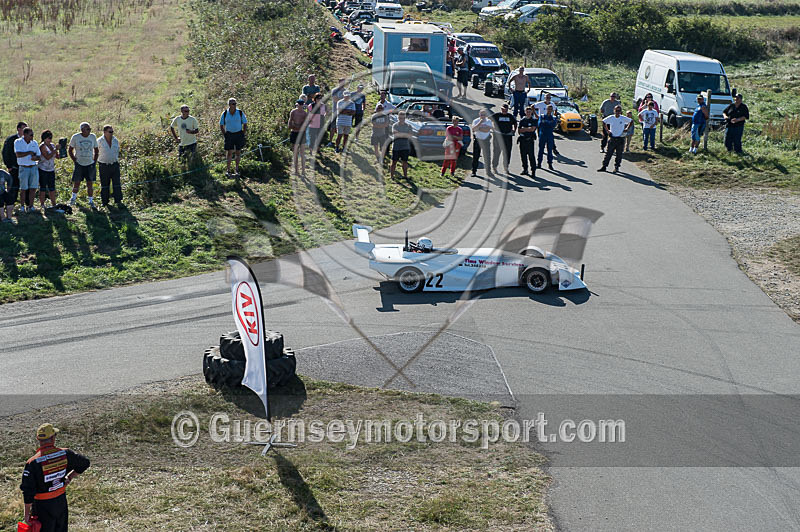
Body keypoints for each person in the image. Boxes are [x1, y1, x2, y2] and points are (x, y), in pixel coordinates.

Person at [20, 423, 90, 532]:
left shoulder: (33, 463)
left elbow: (28, 491)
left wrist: (26, 515)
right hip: (61, 502)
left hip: (41, 506)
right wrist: (69, 477)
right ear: (53, 438)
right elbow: (85, 463)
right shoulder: (65, 453)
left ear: (38, 439)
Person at [68, 122, 98, 207]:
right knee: (76, 182)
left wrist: (94, 161)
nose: (89, 131)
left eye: (90, 129)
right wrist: (75, 160)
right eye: (87, 129)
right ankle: (73, 198)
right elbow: (70, 150)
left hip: (90, 164)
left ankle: (91, 201)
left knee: (90, 183)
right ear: (82, 130)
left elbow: (96, 150)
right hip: (79, 164)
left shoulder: (93, 137)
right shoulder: (75, 137)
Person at [598, 105, 632, 172]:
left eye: (619, 111)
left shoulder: (623, 118)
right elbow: (603, 122)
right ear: (614, 110)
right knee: (608, 154)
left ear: (621, 111)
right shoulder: (611, 117)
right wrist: (607, 131)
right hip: (612, 138)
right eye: (616, 110)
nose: (617, 112)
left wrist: (627, 128)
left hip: (620, 139)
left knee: (619, 155)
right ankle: (604, 166)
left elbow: (631, 121)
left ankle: (616, 167)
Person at [15, 127, 41, 213]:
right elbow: (18, 154)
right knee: (23, 189)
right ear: (25, 134)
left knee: (33, 188)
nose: (32, 136)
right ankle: (22, 206)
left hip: (33, 167)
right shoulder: (18, 142)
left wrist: (35, 158)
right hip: (23, 168)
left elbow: (39, 156)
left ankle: (31, 206)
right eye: (31, 135)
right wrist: (29, 153)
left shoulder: (34, 143)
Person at [95, 125, 122, 208]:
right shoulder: (99, 141)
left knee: (117, 183)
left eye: (112, 131)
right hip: (104, 165)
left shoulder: (115, 140)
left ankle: (118, 201)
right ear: (105, 132)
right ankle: (105, 202)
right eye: (110, 132)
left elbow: (117, 151)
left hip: (114, 164)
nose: (111, 133)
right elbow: (95, 153)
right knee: (105, 184)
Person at [219, 98, 247, 176]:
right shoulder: (224, 113)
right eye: (233, 104)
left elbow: (245, 124)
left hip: (238, 134)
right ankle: (228, 170)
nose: (234, 105)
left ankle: (237, 169)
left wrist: (242, 134)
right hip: (229, 134)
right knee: (229, 153)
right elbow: (221, 125)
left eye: (235, 103)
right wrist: (225, 135)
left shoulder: (240, 113)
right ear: (229, 105)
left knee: (238, 152)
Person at [3, 121, 26, 210]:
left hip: (24, 167)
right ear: (18, 129)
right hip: (14, 167)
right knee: (13, 186)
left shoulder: (27, 139)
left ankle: (24, 204)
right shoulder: (11, 139)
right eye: (23, 129)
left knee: (24, 186)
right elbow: (5, 153)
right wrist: (9, 166)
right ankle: (10, 204)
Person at [491, 103, 517, 173]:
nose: (504, 111)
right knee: (496, 152)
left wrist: (514, 130)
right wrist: (492, 128)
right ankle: (494, 167)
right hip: (498, 136)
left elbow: (515, 123)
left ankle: (506, 167)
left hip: (508, 136)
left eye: (506, 109)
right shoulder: (497, 115)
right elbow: (489, 119)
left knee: (507, 152)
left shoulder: (510, 116)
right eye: (503, 109)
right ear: (501, 109)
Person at [38, 130, 59, 210]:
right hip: (43, 169)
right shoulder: (42, 146)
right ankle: (42, 204)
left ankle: (54, 203)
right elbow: (47, 156)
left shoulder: (52, 145)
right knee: (43, 187)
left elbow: (56, 156)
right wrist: (55, 150)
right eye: (48, 138)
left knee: (52, 187)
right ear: (44, 138)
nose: (50, 140)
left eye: (51, 138)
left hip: (51, 169)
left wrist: (60, 150)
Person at [390, 111, 413, 180]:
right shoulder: (395, 125)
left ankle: (405, 176)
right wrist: (405, 134)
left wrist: (400, 134)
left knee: (405, 162)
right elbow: (395, 134)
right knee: (394, 162)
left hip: (405, 147)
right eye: (400, 118)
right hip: (396, 147)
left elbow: (410, 135)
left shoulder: (409, 126)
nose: (401, 119)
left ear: (405, 118)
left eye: (403, 118)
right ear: (398, 118)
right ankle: (392, 176)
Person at [471, 108, 493, 177]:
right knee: (475, 156)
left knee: (487, 156)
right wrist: (479, 123)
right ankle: (474, 171)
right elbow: (473, 129)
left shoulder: (488, 121)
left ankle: (488, 171)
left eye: (484, 114)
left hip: (486, 140)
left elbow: (487, 130)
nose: (483, 116)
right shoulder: (476, 120)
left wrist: (479, 128)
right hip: (478, 140)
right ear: (479, 114)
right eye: (481, 114)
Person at [288, 99, 308, 175]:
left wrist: (298, 126)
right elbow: (289, 124)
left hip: (302, 134)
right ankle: (296, 170)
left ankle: (303, 170)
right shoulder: (293, 112)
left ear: (303, 105)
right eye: (298, 105)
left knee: (302, 153)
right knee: (295, 153)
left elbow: (305, 125)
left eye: (301, 105)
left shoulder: (304, 114)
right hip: (294, 133)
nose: (299, 106)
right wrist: (295, 126)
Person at [517, 106, 537, 176]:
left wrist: (524, 129)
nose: (528, 113)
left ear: (531, 112)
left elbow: (532, 129)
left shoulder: (533, 120)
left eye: (529, 112)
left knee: (531, 156)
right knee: (523, 156)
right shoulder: (522, 120)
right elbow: (519, 131)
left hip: (530, 141)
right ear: (525, 112)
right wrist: (527, 129)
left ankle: (533, 171)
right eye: (527, 112)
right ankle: (525, 169)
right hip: (522, 140)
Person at [537, 106, 557, 171]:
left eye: (551, 109)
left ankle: (550, 164)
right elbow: (539, 124)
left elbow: (553, 125)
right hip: (542, 134)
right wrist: (549, 123)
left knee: (550, 150)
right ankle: (539, 163)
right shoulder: (542, 116)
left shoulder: (553, 117)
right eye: (548, 109)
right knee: (541, 149)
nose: (549, 110)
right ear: (546, 109)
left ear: (552, 110)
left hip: (549, 135)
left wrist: (545, 122)